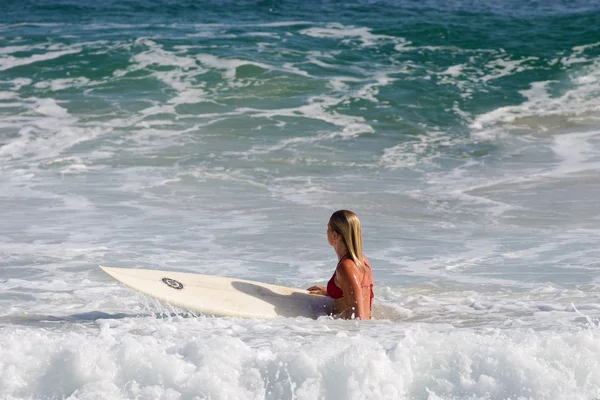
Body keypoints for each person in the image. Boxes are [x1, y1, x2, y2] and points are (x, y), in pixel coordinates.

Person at [307, 210, 374, 320]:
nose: (326, 231)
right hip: (359, 332)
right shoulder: (361, 259)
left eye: (328, 228)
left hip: (347, 333)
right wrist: (330, 291)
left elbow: (357, 318)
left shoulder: (347, 267)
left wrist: (321, 315)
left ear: (334, 235)